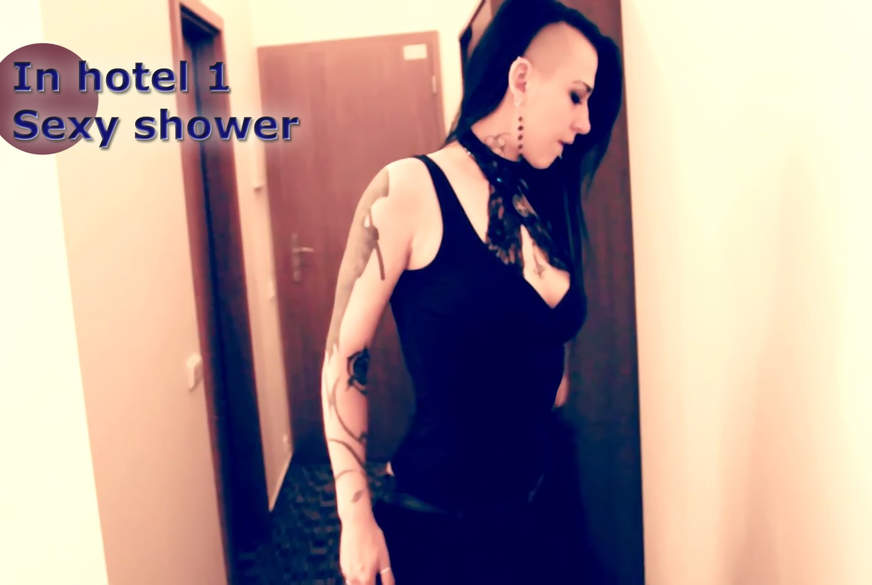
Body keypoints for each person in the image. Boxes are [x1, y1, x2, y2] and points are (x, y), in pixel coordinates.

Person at [319, 1, 623, 583]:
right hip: (441, 524)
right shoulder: (408, 189)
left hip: (541, 504)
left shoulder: (538, 200)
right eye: (576, 96)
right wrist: (353, 517)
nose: (585, 123)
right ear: (521, 79)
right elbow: (344, 358)